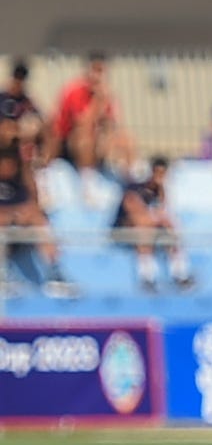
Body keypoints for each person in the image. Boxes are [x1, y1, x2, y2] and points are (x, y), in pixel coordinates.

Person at [0, 141, 79, 298]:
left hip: (18, 232)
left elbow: (34, 205)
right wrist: (12, 214)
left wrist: (27, 169)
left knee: (38, 219)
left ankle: (55, 272)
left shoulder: (18, 186)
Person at [112, 156, 194, 290]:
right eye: (158, 173)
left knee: (169, 228)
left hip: (149, 230)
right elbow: (137, 218)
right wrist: (157, 219)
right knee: (144, 230)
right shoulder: (135, 189)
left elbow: (163, 214)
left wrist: (162, 192)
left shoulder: (160, 192)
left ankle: (180, 273)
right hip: (122, 232)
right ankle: (147, 276)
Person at [51, 53, 133, 179]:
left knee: (126, 140)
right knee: (85, 139)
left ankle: (130, 180)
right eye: (95, 70)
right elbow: (82, 124)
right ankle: (88, 179)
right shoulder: (75, 91)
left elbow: (112, 123)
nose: (98, 76)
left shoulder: (105, 94)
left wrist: (109, 138)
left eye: (101, 71)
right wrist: (98, 103)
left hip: (96, 135)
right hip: (69, 140)